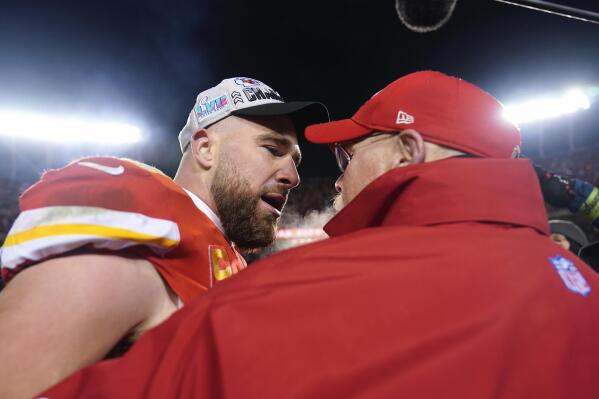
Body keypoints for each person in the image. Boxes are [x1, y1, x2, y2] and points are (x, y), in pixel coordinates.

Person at [38, 71, 599, 399]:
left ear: (409, 153)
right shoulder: (582, 289)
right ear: (204, 147)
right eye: (272, 147)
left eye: (345, 154)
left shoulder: (290, 290)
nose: (302, 174)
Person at [0, 77, 328, 399]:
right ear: (205, 149)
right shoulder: (142, 234)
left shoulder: (218, 253)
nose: (294, 177)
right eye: (273, 149)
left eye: (295, 161)